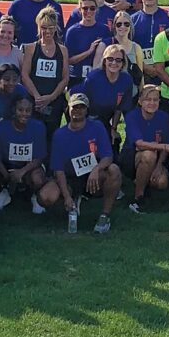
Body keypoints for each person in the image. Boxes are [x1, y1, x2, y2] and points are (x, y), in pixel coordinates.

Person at [50, 93, 118, 234]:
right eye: (75, 107)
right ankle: (71, 203)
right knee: (46, 196)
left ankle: (104, 216)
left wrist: (96, 169)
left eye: (82, 107)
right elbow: (58, 169)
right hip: (69, 178)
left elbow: (108, 156)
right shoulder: (59, 134)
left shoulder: (97, 127)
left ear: (87, 110)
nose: (78, 110)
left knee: (114, 170)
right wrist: (66, 196)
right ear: (68, 109)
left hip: (91, 178)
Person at [0, 94, 55, 216]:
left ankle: (34, 196)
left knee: (37, 178)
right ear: (13, 110)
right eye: (20, 110)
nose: (24, 114)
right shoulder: (1, 128)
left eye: (28, 110)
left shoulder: (38, 127)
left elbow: (39, 157)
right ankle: (2, 192)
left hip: (29, 167)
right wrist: (6, 175)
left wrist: (21, 172)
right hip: (6, 166)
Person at [121, 82, 169, 213]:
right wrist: (164, 146)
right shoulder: (132, 116)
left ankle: (143, 182)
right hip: (131, 159)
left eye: (155, 100)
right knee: (149, 154)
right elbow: (139, 144)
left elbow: (166, 144)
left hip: (155, 159)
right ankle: (138, 198)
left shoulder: (164, 117)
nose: (152, 103)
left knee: (162, 183)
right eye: (147, 99)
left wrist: (159, 167)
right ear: (140, 101)